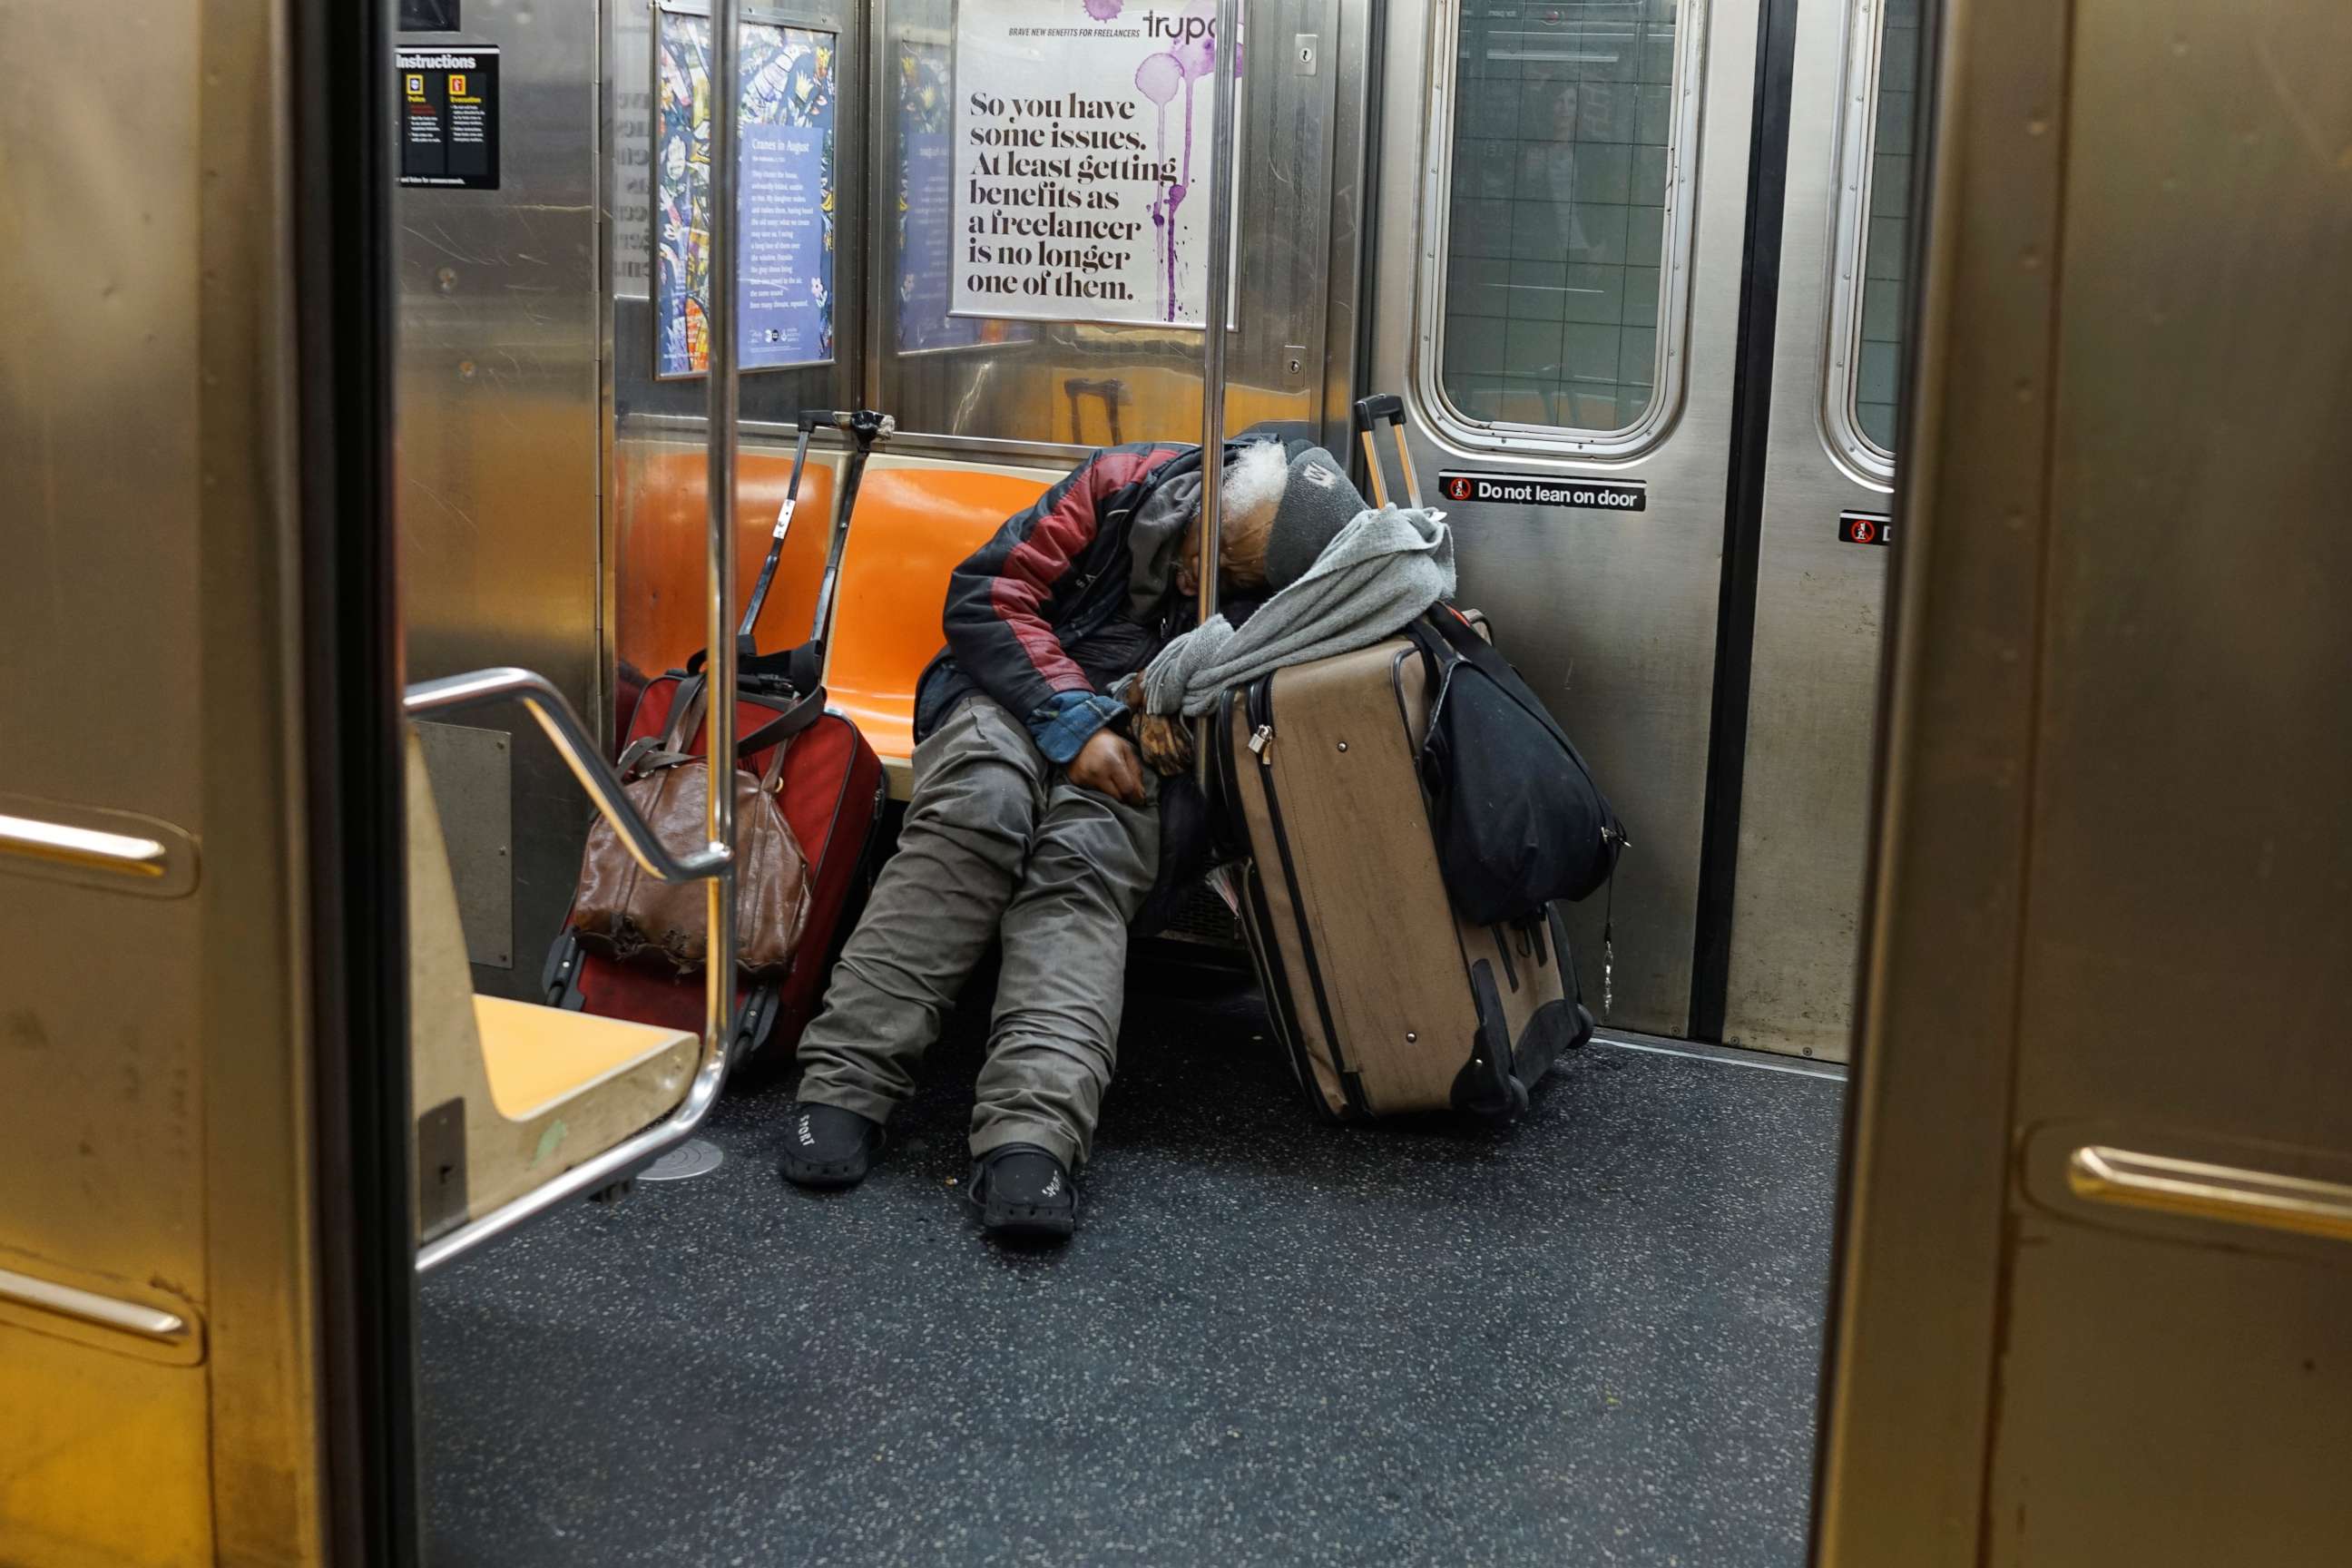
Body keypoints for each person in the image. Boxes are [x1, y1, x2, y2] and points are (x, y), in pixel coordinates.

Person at [779, 436, 1368, 1240]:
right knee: (978, 806)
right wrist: (1074, 722)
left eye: (1233, 580)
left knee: (1084, 858)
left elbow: (1258, 700)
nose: (1202, 580)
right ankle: (844, 1084)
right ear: (1206, 502)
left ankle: (1035, 1131)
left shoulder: (1296, 592)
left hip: (1139, 735)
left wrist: (1169, 712)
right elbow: (989, 595)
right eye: (1209, 552)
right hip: (1011, 690)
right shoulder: (1122, 483)